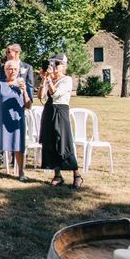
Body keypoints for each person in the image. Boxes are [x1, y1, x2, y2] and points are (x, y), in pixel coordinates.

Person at [38, 54, 83, 189]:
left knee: (64, 141)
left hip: (61, 111)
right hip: (49, 110)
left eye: (57, 64)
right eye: (53, 64)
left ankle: (77, 175)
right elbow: (41, 97)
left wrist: (50, 82)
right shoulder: (49, 79)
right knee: (50, 141)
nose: (55, 67)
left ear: (64, 66)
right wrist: (44, 79)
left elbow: (56, 94)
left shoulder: (67, 80)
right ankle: (57, 175)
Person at [0, 60, 32, 181]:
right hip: (0, 119)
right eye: (9, 69)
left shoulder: (21, 85)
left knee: (18, 145)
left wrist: (24, 91)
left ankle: (21, 173)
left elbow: (28, 105)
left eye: (15, 69)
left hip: (16, 121)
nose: (12, 71)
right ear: (5, 70)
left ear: (18, 71)